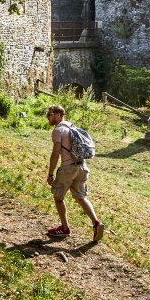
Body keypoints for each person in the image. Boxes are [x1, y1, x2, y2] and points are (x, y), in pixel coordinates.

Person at [45, 104, 104, 242]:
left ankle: (64, 228)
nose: (48, 117)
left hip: (68, 169)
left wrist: (50, 174)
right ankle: (96, 223)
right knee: (80, 197)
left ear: (59, 115)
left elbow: (55, 153)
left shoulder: (58, 130)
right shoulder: (72, 126)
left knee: (58, 197)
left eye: (51, 114)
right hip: (82, 167)